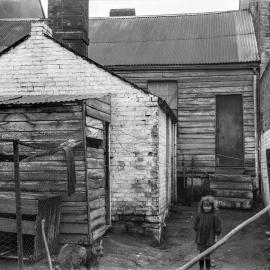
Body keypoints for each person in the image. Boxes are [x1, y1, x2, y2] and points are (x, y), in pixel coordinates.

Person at [193, 195, 222, 270]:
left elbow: (218, 228)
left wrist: (215, 237)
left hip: (210, 238)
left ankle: (208, 268)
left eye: (209, 206)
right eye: (205, 206)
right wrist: (199, 231)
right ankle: (201, 268)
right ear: (202, 206)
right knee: (201, 254)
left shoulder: (214, 216)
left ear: (212, 206)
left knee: (208, 254)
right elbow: (195, 226)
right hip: (201, 238)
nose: (207, 208)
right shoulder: (199, 215)